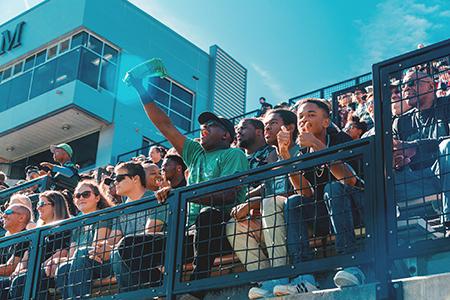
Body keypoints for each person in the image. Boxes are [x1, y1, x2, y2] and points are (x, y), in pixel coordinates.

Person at [127, 69, 248, 293]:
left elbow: (229, 195)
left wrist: (182, 195)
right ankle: (163, 292)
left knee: (207, 216)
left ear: (226, 136)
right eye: (203, 125)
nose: (204, 128)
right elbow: (165, 125)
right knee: (129, 247)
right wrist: (140, 87)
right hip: (188, 234)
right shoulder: (195, 153)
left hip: (222, 230)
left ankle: (195, 292)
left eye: (211, 125)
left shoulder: (234, 155)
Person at [273, 99, 365, 296]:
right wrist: (287, 157)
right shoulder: (302, 151)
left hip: (357, 208)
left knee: (333, 188)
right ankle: (304, 277)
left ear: (325, 122)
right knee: (294, 202)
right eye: (300, 117)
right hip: (326, 215)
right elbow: (305, 193)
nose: (304, 119)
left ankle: (351, 265)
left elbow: (349, 180)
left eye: (311, 115)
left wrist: (316, 144)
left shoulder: (341, 139)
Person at [392, 70, 449, 231]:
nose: (406, 89)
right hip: (416, 181)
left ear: (431, 86)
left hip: (445, 173)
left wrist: (414, 147)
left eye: (412, 83)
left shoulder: (447, 104)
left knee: (448, 146)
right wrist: (398, 162)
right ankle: (392, 234)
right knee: (381, 173)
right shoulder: (400, 122)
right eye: (403, 86)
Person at [109, 162, 167, 292]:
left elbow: (150, 232)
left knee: (116, 252)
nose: (115, 183)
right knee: (79, 258)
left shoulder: (156, 198)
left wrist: (113, 247)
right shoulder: (120, 209)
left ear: (135, 178)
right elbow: (114, 238)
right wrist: (101, 247)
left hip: (154, 254)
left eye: (119, 178)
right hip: (126, 254)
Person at [55, 180, 114, 298]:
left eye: (86, 194)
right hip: (81, 264)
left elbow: (96, 249)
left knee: (81, 253)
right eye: (77, 196)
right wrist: (58, 260)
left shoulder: (103, 216)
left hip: (103, 262)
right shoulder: (77, 224)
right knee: (62, 268)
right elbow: (71, 255)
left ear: (97, 198)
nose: (81, 198)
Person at [9, 191, 72, 299]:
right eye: (38, 205)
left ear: (55, 206)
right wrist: (18, 270)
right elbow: (26, 256)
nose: (38, 208)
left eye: (42, 204)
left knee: (22, 280)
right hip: (32, 272)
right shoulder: (38, 232)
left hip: (50, 271)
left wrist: (32, 270)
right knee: (4, 284)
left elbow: (62, 252)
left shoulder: (65, 227)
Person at [0, 204, 31, 300]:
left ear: (21, 218)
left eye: (8, 213)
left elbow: (10, 268)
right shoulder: (5, 242)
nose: (3, 216)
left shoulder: (26, 238)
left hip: (14, 282)